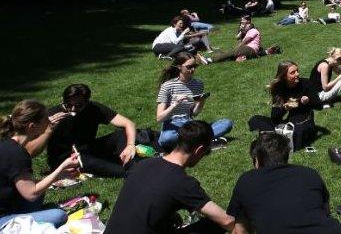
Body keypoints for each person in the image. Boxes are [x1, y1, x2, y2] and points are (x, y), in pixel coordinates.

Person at [105, 121, 235, 234]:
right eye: (206, 152)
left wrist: (169, 216)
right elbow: (227, 220)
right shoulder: (182, 183)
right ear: (199, 150)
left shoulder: (143, 165)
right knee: (214, 225)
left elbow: (147, 199)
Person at [228, 132, 341, 233]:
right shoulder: (309, 174)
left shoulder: (246, 180)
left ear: (257, 161)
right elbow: (326, 212)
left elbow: (240, 231)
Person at [0, 100, 77, 229]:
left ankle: (29, 218)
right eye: (45, 119)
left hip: (9, 205)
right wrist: (61, 168)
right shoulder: (17, 154)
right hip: (3, 220)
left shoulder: (10, 145)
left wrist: (56, 177)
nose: (49, 122)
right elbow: (31, 194)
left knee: (41, 191)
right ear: (32, 126)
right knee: (59, 215)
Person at [39, 84, 137, 179]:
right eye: (68, 105)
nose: (73, 109)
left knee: (120, 134)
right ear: (63, 101)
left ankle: (129, 161)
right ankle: (131, 171)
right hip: (65, 158)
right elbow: (33, 147)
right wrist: (48, 129)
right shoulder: (52, 115)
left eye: (78, 105)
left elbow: (128, 124)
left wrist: (130, 145)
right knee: (95, 164)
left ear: (87, 102)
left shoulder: (94, 108)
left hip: (88, 148)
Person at [156, 52, 233, 149]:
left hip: (189, 123)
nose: (192, 69)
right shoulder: (167, 86)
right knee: (166, 139)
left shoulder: (198, 84)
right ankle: (204, 141)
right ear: (179, 67)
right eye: (189, 67)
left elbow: (194, 113)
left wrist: (201, 101)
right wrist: (174, 104)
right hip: (172, 123)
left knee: (227, 123)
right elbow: (159, 118)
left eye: (195, 66)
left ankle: (192, 142)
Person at [248, 61, 322, 149]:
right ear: (284, 76)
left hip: (304, 122)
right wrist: (285, 107)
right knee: (255, 119)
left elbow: (319, 106)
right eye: (292, 72)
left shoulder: (306, 83)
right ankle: (278, 136)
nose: (297, 74)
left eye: (297, 71)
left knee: (297, 133)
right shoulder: (279, 88)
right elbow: (275, 118)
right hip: (288, 122)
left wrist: (308, 101)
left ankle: (274, 137)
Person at [209, 16, 281, 63]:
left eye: (246, 25)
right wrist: (241, 31)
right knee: (230, 53)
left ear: (249, 24)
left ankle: (209, 60)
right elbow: (238, 38)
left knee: (231, 52)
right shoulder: (248, 31)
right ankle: (240, 58)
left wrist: (237, 48)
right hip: (250, 50)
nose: (243, 25)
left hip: (250, 49)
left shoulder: (253, 30)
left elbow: (245, 41)